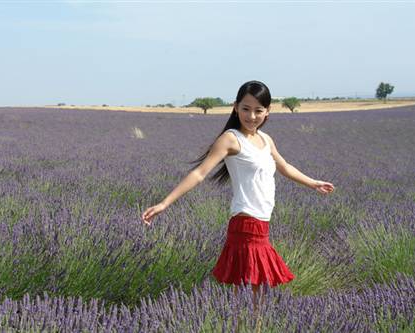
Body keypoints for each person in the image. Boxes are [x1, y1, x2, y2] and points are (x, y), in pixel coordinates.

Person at [141, 80, 335, 314]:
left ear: (268, 111)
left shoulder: (265, 140)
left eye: (258, 110)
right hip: (246, 224)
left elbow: (284, 166)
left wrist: (314, 183)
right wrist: (164, 203)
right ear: (235, 107)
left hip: (261, 224)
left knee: (254, 297)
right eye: (245, 108)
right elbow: (200, 173)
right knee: (252, 296)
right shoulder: (231, 139)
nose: (251, 116)